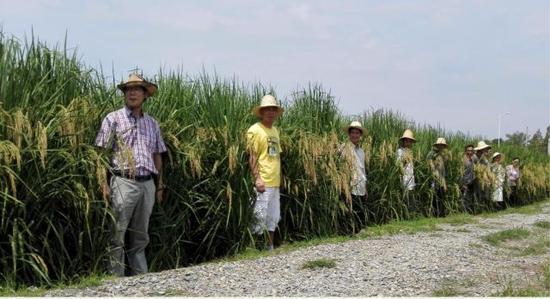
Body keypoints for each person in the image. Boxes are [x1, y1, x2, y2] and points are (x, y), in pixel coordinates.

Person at [95, 74, 167, 276]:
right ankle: (115, 279)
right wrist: (104, 183)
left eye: (137, 89)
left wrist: (159, 185)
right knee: (117, 233)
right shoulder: (113, 118)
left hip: (147, 185)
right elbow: (100, 153)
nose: (132, 93)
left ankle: (140, 279)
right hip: (123, 181)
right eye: (128, 89)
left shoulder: (152, 123)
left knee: (141, 236)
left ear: (145, 95)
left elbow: (157, 155)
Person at [246, 94, 283, 251]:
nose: (270, 112)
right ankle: (255, 248)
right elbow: (252, 156)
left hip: (274, 182)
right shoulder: (254, 130)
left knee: (272, 217)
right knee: (258, 216)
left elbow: (275, 155)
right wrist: (257, 178)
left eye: (273, 109)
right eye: (267, 109)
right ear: (261, 112)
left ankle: (269, 247)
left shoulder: (275, 130)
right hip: (263, 182)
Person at [339, 121, 368, 234]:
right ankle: (349, 230)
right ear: (349, 134)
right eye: (353, 132)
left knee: (360, 208)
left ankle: (359, 229)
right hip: (349, 185)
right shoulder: (344, 148)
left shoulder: (361, 151)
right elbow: (340, 167)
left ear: (360, 135)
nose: (355, 135)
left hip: (360, 184)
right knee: (350, 208)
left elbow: (363, 170)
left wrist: (365, 187)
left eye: (357, 133)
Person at [396, 129, 417, 214]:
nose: (408, 143)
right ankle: (405, 216)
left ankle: (411, 216)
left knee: (411, 201)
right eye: (407, 141)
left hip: (411, 181)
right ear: (404, 141)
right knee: (405, 200)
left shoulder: (410, 152)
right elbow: (398, 166)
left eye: (410, 141)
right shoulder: (400, 151)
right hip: (404, 181)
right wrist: (405, 160)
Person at [427, 138, 448, 217]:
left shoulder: (442, 155)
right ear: (437, 145)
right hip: (434, 179)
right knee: (435, 197)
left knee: (442, 196)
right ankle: (434, 214)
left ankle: (441, 214)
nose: (441, 147)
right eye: (440, 145)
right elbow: (430, 166)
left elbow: (443, 170)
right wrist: (434, 165)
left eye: (443, 145)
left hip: (442, 179)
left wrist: (444, 182)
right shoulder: (431, 154)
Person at [461, 144, 476, 213]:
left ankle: (469, 211)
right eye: (468, 150)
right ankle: (464, 212)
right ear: (465, 151)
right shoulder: (463, 160)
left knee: (469, 198)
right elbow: (460, 173)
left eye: (471, 150)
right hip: (464, 182)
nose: (470, 152)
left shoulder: (472, 159)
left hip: (471, 181)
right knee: (464, 198)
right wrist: (463, 183)